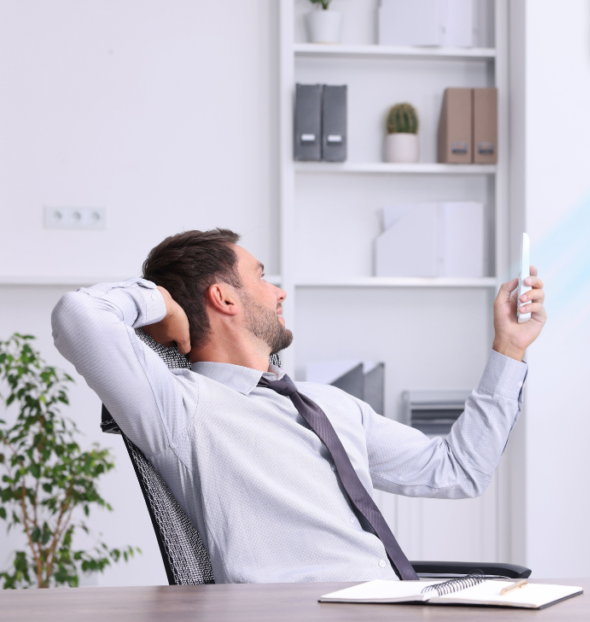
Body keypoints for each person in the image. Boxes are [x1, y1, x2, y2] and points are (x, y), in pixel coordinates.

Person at [51, 228, 546, 584]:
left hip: (390, 603)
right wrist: (160, 301)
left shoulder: (326, 403)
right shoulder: (181, 408)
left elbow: (459, 470)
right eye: (262, 277)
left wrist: (510, 349)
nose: (279, 291)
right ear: (223, 297)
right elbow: (80, 315)